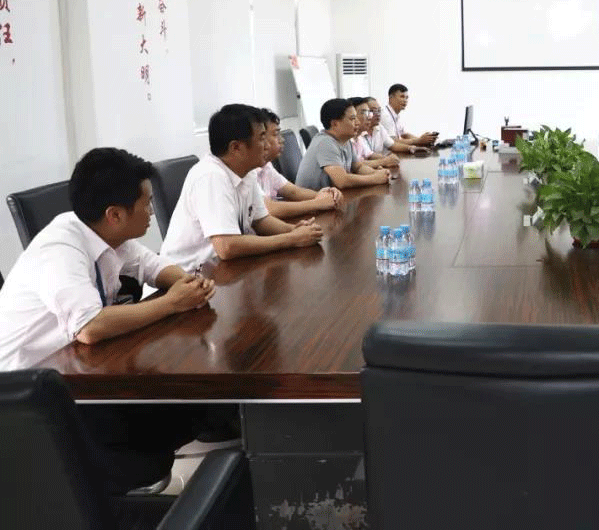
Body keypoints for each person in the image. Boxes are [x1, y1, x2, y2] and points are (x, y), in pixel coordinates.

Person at [0, 148, 219, 492]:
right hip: (29, 400)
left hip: (81, 373)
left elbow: (152, 265)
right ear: (115, 214)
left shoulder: (103, 233)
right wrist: (171, 304)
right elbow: (90, 328)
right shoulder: (59, 250)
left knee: (189, 408)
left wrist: (186, 283)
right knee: (154, 445)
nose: (152, 211)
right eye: (146, 203)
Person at [162, 104, 324, 272]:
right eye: (261, 138)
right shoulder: (211, 176)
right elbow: (227, 246)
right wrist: (291, 239)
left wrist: (294, 230)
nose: (267, 145)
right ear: (236, 147)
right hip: (189, 275)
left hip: (223, 268)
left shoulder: (247, 170)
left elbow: (260, 220)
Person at [256, 108, 344, 219]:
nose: (282, 140)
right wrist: (318, 203)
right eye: (276, 134)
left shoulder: (266, 166)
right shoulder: (248, 170)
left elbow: (293, 191)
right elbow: (269, 209)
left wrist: (327, 195)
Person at [295, 98, 391, 191]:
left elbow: (358, 167)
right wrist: (375, 178)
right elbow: (342, 181)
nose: (357, 122)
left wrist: (377, 173)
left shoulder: (345, 140)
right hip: (312, 198)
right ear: (335, 124)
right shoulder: (325, 142)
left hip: (332, 196)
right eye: (352, 119)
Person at [346, 97, 401, 169]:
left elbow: (370, 154)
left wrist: (388, 159)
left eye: (369, 112)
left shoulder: (358, 138)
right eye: (364, 113)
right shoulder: (347, 139)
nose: (370, 117)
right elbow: (355, 165)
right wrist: (384, 161)